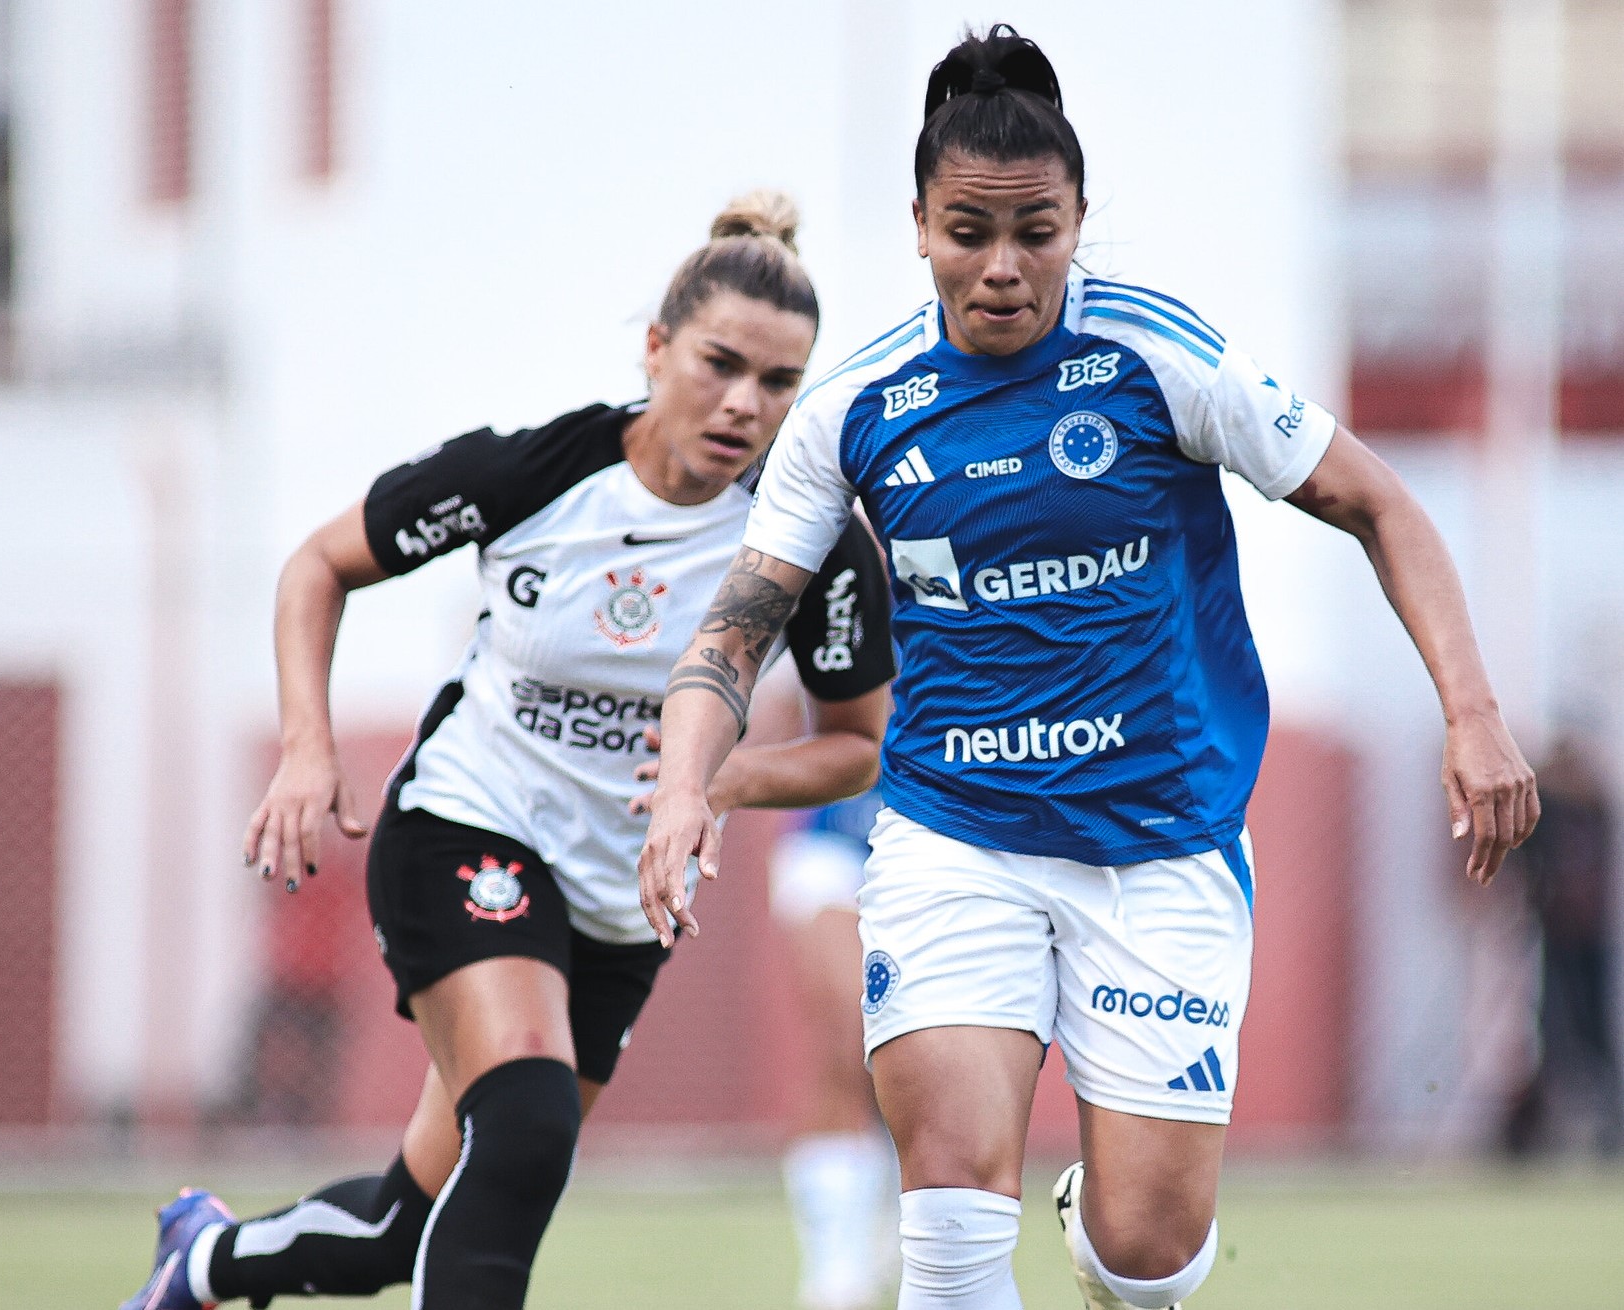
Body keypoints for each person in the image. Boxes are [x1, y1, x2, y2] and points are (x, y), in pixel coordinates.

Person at [638, 27, 1540, 1310]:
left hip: (1160, 841)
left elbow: (1376, 501)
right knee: (950, 1220)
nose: (1002, 267)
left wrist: (1474, 711)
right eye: (968, 230)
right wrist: (687, 784)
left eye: (1036, 230)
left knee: (1146, 1253)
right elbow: (736, 624)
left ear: (1075, 220)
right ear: (918, 227)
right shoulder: (855, 408)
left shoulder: (1159, 357)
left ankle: (1116, 1243)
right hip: (955, 834)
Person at [121, 191, 895, 1310]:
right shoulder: (536, 471)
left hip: (625, 902)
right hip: (467, 826)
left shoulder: (808, 540)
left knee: (409, 1220)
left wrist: (721, 778)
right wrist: (305, 745)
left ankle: (199, 1260)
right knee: (527, 1120)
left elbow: (856, 745)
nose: (743, 402)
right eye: (719, 362)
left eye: (778, 383)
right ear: (656, 346)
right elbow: (317, 566)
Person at [770, 783, 899, 1310]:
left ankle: (895, 1177)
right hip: (839, 837)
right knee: (849, 1032)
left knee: (918, 1061)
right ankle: (836, 1275)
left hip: (956, 835)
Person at [1501, 733, 1622, 1156]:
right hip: (1555, 935)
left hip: (1589, 939)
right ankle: (1533, 1134)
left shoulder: (1594, 808)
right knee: (1553, 1030)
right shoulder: (1548, 810)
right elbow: (1528, 864)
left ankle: (1606, 1131)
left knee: (1592, 1033)